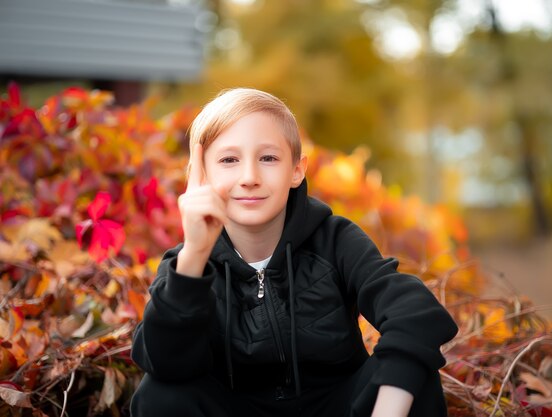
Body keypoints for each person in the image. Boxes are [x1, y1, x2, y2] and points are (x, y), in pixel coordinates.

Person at [130, 88, 458, 417]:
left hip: (337, 407)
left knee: (413, 377)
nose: (249, 178)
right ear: (200, 175)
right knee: (161, 393)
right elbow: (164, 363)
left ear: (296, 171)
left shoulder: (334, 239)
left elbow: (413, 313)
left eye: (268, 158)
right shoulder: (186, 264)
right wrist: (195, 255)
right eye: (229, 160)